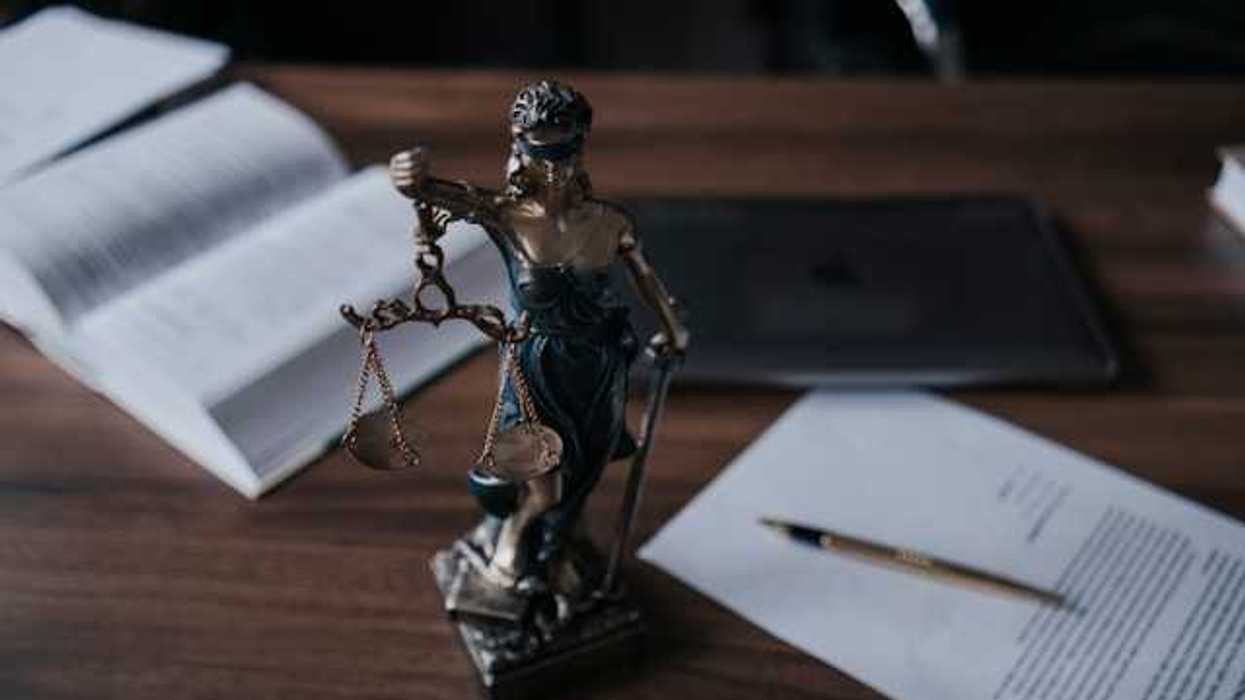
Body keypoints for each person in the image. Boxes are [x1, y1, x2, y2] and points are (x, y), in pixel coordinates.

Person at [388, 80, 688, 600]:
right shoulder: (504, 217)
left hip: (597, 367)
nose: (554, 169)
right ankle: (518, 535)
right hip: (536, 369)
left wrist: (672, 327)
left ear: (580, 146)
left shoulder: (610, 222)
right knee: (540, 480)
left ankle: (556, 546)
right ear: (519, 149)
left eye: (564, 152)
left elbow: (647, 280)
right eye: (540, 152)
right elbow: (433, 192)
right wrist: (409, 179)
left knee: (586, 470)